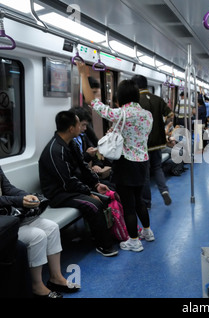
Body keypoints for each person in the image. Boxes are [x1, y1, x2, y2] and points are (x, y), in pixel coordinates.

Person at [78, 62, 154, 252]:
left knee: (128, 204)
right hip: (143, 161)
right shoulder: (147, 115)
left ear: (120, 97)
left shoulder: (121, 114)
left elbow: (92, 102)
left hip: (126, 164)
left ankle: (134, 241)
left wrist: (82, 73)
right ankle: (147, 231)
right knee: (139, 201)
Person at [39, 111, 118, 257]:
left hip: (70, 189)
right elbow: (67, 181)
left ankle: (108, 235)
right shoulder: (55, 151)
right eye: (78, 124)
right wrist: (88, 193)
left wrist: (95, 185)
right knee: (94, 205)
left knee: (108, 195)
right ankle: (104, 245)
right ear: (71, 128)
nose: (81, 128)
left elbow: (83, 167)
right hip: (58, 194)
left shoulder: (71, 144)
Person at [0, 166, 81, 298]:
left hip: (9, 215)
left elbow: (8, 188)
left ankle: (56, 278)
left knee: (51, 228)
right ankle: (37, 286)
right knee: (37, 236)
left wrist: (26, 195)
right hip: (3, 222)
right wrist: (19, 201)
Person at [131, 75, 173, 207]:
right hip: (158, 142)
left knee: (146, 173)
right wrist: (162, 125)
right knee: (157, 167)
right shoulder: (157, 99)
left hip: (142, 143)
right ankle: (164, 191)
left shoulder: (135, 101)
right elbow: (170, 115)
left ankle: (147, 202)